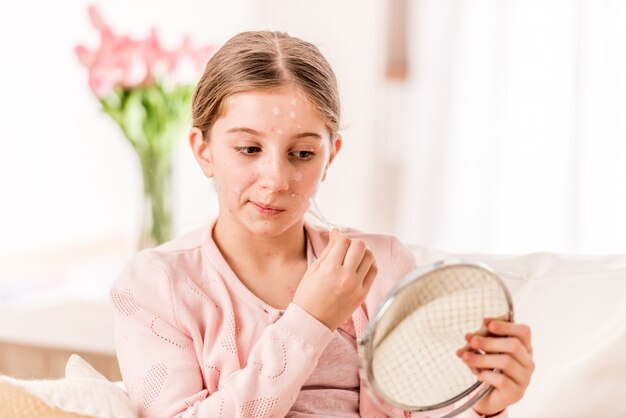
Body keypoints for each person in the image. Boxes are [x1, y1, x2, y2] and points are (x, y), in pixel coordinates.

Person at [111, 31, 534, 418]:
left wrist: (488, 409)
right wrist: (309, 319)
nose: (276, 179)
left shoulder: (382, 265)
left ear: (331, 155)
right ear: (203, 151)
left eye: (302, 154)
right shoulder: (156, 285)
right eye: (248, 148)